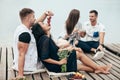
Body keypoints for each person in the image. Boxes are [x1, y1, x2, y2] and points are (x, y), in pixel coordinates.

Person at [32, 13, 112, 74]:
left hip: (58, 58)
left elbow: (55, 49)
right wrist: (59, 62)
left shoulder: (46, 37)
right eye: (43, 24)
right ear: (40, 30)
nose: (45, 23)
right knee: (78, 57)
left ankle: (99, 69)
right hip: (56, 65)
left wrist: (69, 49)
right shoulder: (44, 39)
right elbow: (44, 58)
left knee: (77, 63)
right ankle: (100, 68)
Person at [13, 8, 53, 79]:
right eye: (33, 16)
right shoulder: (25, 35)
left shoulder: (21, 27)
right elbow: (21, 54)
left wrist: (45, 14)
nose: (35, 19)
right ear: (28, 18)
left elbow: (37, 23)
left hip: (26, 64)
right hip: (29, 67)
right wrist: (20, 75)